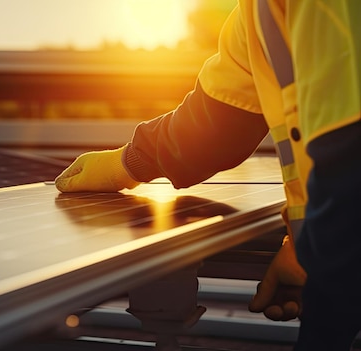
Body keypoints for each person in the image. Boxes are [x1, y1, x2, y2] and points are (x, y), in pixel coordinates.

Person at [54, 0, 361, 349]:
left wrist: (326, 275)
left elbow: (346, 146)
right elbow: (220, 120)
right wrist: (129, 162)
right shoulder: (257, 13)